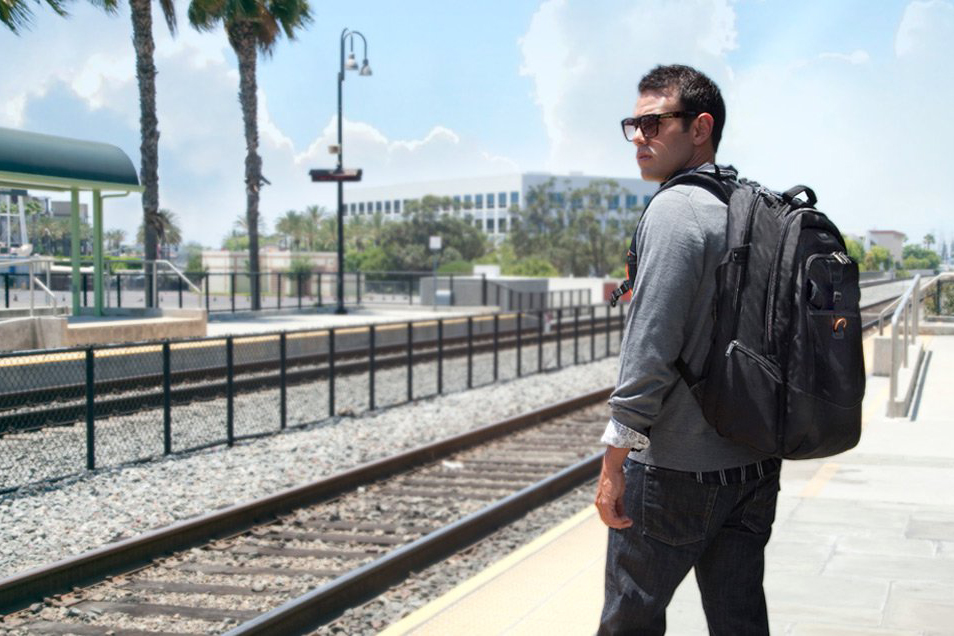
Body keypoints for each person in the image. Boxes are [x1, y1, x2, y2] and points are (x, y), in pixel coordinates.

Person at [594, 64, 781, 635]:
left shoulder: (675, 211)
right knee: (740, 619)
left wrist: (614, 460)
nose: (639, 138)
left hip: (676, 470)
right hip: (753, 463)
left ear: (700, 127)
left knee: (632, 619)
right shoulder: (751, 207)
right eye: (633, 124)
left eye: (654, 123)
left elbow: (649, 345)